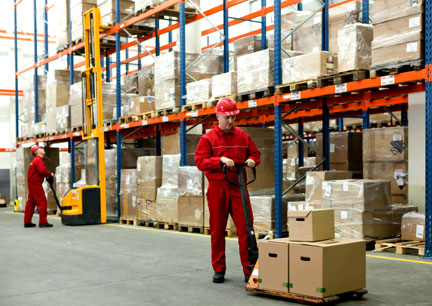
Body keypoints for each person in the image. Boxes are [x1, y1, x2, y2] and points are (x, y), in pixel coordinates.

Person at [195, 97, 261, 284]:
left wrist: (252, 160)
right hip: (218, 188)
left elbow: (255, 153)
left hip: (239, 187)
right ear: (218, 116)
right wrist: (220, 160)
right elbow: (200, 162)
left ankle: (249, 268)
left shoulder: (242, 136)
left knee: (246, 229)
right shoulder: (207, 138)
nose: (230, 121)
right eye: (226, 117)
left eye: (233, 118)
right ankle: (219, 268)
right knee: (217, 229)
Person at [24, 145, 54, 228]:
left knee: (31, 203)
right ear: (37, 151)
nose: (43, 149)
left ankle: (27, 222)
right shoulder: (38, 160)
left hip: (32, 184)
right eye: (41, 148)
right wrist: (50, 174)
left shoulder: (35, 160)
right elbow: (42, 171)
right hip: (36, 184)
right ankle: (43, 222)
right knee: (42, 202)